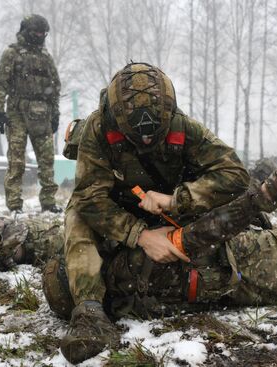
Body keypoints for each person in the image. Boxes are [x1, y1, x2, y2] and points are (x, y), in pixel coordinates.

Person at [44, 154, 277, 364]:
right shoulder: (131, 264)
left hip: (239, 271)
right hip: (253, 265)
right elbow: (202, 235)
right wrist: (265, 194)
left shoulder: (119, 297)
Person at [58, 62, 251, 364]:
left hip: (169, 208)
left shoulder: (183, 128)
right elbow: (90, 199)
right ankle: (89, 312)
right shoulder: (99, 129)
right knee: (77, 216)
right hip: (115, 210)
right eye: (138, 134)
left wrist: (177, 200)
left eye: (154, 134)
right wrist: (141, 235)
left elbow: (235, 175)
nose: (147, 141)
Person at [0, 14, 61, 214]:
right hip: (17, 114)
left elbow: (54, 87)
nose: (40, 36)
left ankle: (48, 203)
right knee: (17, 162)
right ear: (26, 31)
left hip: (42, 116)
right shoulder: (12, 54)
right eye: (36, 32)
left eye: (43, 33)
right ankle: (14, 205)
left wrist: (55, 114)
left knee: (47, 161)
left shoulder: (45, 57)